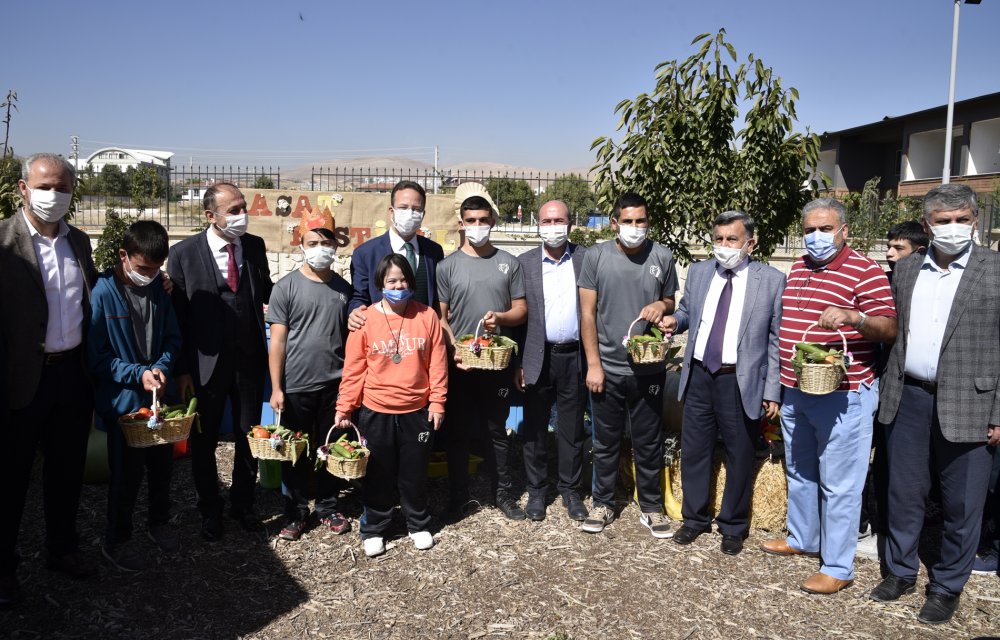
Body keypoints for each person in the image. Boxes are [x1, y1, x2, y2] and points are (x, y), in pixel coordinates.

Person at [870, 183, 1000, 624]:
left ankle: (946, 586)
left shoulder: (995, 269)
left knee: (962, 504)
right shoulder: (906, 271)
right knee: (904, 492)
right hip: (908, 397)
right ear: (927, 225)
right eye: (943, 221)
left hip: (972, 403)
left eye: (962, 219)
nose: (954, 228)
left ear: (976, 221)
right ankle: (900, 571)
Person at [761, 198, 897, 595]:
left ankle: (838, 565)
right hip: (796, 388)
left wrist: (855, 318)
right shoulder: (799, 266)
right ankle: (804, 538)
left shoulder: (865, 270)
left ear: (844, 230)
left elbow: (888, 328)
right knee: (801, 470)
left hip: (844, 393)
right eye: (809, 230)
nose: (816, 237)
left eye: (825, 229)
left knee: (841, 483)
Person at [0, 153, 99, 606]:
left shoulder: (78, 242)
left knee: (65, 473)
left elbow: (91, 296)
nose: (53, 196)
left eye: (62, 188)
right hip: (21, 381)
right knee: (11, 480)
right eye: (44, 186)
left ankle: (61, 550)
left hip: (71, 378)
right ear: (23, 189)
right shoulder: (3, 243)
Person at [661, 211, 784, 555]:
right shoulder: (700, 273)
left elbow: (776, 339)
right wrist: (675, 321)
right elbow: (687, 311)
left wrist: (772, 389)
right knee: (695, 449)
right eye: (719, 239)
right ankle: (695, 519)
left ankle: (733, 525)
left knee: (740, 452)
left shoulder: (771, 280)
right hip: (699, 374)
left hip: (739, 380)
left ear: (750, 243)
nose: (724, 246)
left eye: (732, 239)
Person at [168, 182, 273, 541]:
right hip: (204, 366)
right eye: (234, 210)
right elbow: (177, 318)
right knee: (204, 440)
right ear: (210, 216)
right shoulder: (183, 254)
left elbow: (267, 292)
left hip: (249, 361)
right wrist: (181, 369)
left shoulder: (255, 246)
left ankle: (243, 504)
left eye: (244, 207)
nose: (242, 215)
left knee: (249, 435)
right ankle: (209, 508)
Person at [578, 192, 679, 538]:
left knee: (648, 440)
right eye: (629, 221)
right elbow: (587, 313)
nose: (636, 228)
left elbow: (669, 299)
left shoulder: (662, 256)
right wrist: (594, 364)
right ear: (614, 223)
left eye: (642, 222)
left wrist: (661, 307)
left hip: (648, 367)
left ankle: (651, 507)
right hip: (607, 367)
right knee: (605, 441)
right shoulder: (596, 257)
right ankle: (603, 503)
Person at [335, 254, 448, 557]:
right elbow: (354, 369)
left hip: (417, 410)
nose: (399, 286)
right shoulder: (366, 319)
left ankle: (417, 523)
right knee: (378, 473)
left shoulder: (427, 317)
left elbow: (437, 364)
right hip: (376, 410)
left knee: (414, 471)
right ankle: (375, 526)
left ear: (411, 282)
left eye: (403, 280)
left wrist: (437, 403)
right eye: (392, 281)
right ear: (380, 285)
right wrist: (345, 407)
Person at [87, 221, 182, 571]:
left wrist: (161, 367)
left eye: (157, 269)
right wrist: (135, 374)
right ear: (124, 256)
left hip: (158, 399)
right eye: (144, 268)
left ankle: (158, 522)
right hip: (124, 404)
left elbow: (172, 339)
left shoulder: (159, 288)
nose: (151, 275)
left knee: (161, 469)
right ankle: (117, 539)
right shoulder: (102, 291)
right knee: (125, 475)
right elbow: (96, 357)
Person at [437, 193, 527, 520]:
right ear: (461, 224)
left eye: (483, 220)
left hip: (497, 365)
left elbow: (521, 310)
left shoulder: (509, 263)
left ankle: (502, 494)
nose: (478, 227)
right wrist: (452, 350)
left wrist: (501, 318)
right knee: (457, 432)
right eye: (471, 221)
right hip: (461, 366)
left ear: (493, 222)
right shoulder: (446, 267)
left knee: (496, 430)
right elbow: (441, 318)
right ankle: (457, 497)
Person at [267, 227, 352, 541]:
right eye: (313, 243)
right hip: (297, 386)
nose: (321, 249)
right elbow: (277, 342)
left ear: (335, 247)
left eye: (327, 243)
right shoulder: (286, 287)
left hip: (335, 386)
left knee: (332, 449)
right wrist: (276, 387)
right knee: (296, 453)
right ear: (301, 245)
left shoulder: (344, 289)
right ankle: (296, 511)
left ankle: (329, 507)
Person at [856, 219, 927, 563]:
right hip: (874, 383)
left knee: (893, 464)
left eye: (899, 248)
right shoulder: (884, 284)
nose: (889, 254)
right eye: (889, 246)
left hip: (903, 390)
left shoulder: (919, 291)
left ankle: (888, 533)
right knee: (871, 461)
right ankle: (868, 523)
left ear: (920, 252)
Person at [514, 200, 589, 522]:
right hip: (536, 356)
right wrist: (516, 363)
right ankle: (538, 491)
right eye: (547, 220)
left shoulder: (587, 259)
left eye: (559, 220)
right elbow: (516, 316)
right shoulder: (524, 263)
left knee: (572, 428)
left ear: (570, 223)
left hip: (575, 356)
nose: (553, 226)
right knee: (533, 429)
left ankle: (571, 491)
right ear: (538, 224)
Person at [348, 180, 445, 326]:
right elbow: (359, 297)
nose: (410, 213)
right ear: (391, 211)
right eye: (403, 207)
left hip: (424, 336)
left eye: (416, 209)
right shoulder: (366, 253)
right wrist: (355, 311)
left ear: (423, 214)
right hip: (383, 336)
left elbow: (438, 297)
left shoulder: (434, 251)